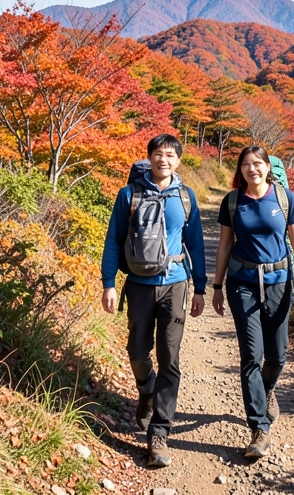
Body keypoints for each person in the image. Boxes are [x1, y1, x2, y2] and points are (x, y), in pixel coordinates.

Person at [100, 134, 207, 468]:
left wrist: (200, 287)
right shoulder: (128, 194)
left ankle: (159, 433)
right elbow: (113, 240)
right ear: (149, 158)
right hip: (139, 285)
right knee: (137, 351)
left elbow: (197, 244)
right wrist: (109, 283)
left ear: (178, 161)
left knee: (170, 358)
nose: (164, 160)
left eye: (171, 155)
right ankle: (146, 389)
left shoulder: (186, 198)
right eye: (158, 154)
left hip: (175, 285)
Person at [212, 145, 294, 459]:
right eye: (245, 164)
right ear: (240, 169)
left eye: (257, 164)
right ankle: (259, 429)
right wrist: (216, 286)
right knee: (251, 356)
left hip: (280, 283)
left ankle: (267, 390)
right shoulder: (232, 202)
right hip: (242, 283)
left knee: (277, 355)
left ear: (267, 167)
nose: (251, 169)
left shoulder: (284, 198)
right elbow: (224, 244)